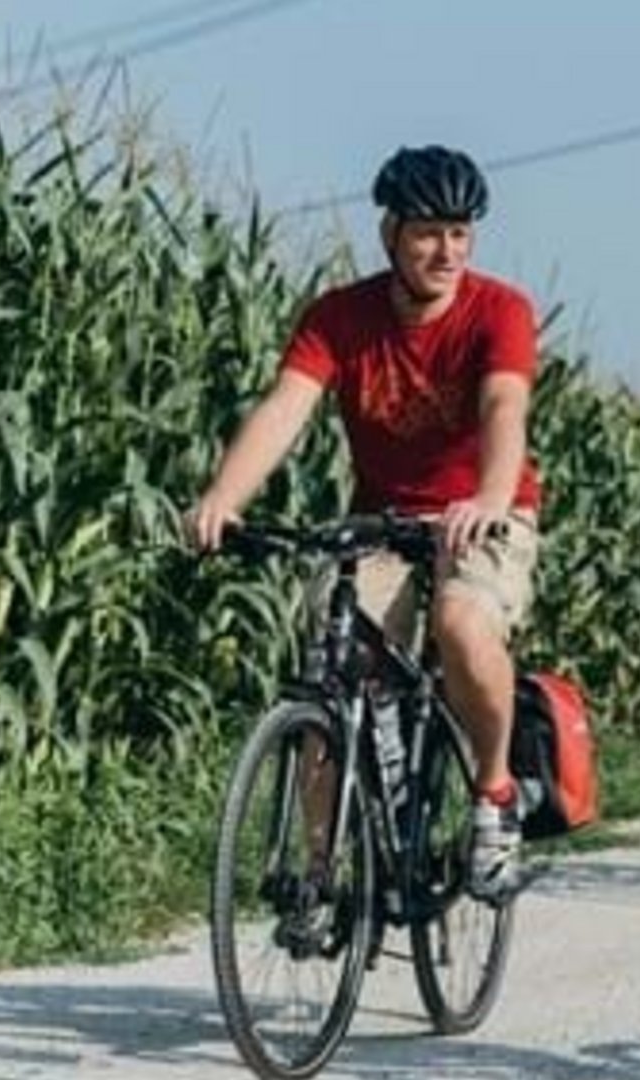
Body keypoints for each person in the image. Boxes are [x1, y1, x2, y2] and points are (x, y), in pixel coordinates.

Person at [185, 144, 543, 895]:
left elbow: (504, 405)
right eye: (427, 233)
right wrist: (226, 495)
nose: (446, 251)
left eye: (459, 233)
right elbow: (286, 406)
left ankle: (493, 798)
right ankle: (321, 877)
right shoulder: (341, 317)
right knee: (330, 674)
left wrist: (486, 496)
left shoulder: (498, 311)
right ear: (390, 234)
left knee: (461, 621)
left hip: (482, 512)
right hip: (380, 522)